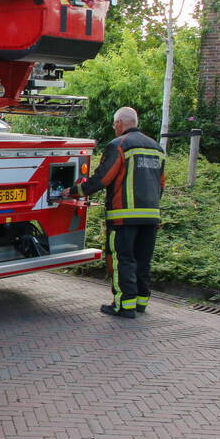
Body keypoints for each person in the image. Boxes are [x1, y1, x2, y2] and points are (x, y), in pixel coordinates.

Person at [67, 107, 165, 318]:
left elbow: (102, 179)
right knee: (143, 260)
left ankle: (123, 306)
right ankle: (140, 302)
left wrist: (74, 191)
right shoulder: (156, 148)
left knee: (123, 260)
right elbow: (161, 183)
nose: (114, 128)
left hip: (123, 217)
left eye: (114, 124)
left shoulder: (119, 145)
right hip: (151, 215)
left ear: (119, 123)